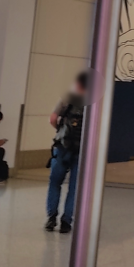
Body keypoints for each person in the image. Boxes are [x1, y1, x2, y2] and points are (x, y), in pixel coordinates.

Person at [46, 71, 87, 234]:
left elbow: (52, 119)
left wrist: (60, 130)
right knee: (74, 187)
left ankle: (51, 218)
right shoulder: (94, 102)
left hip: (63, 147)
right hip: (81, 150)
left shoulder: (67, 98)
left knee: (55, 183)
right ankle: (66, 221)